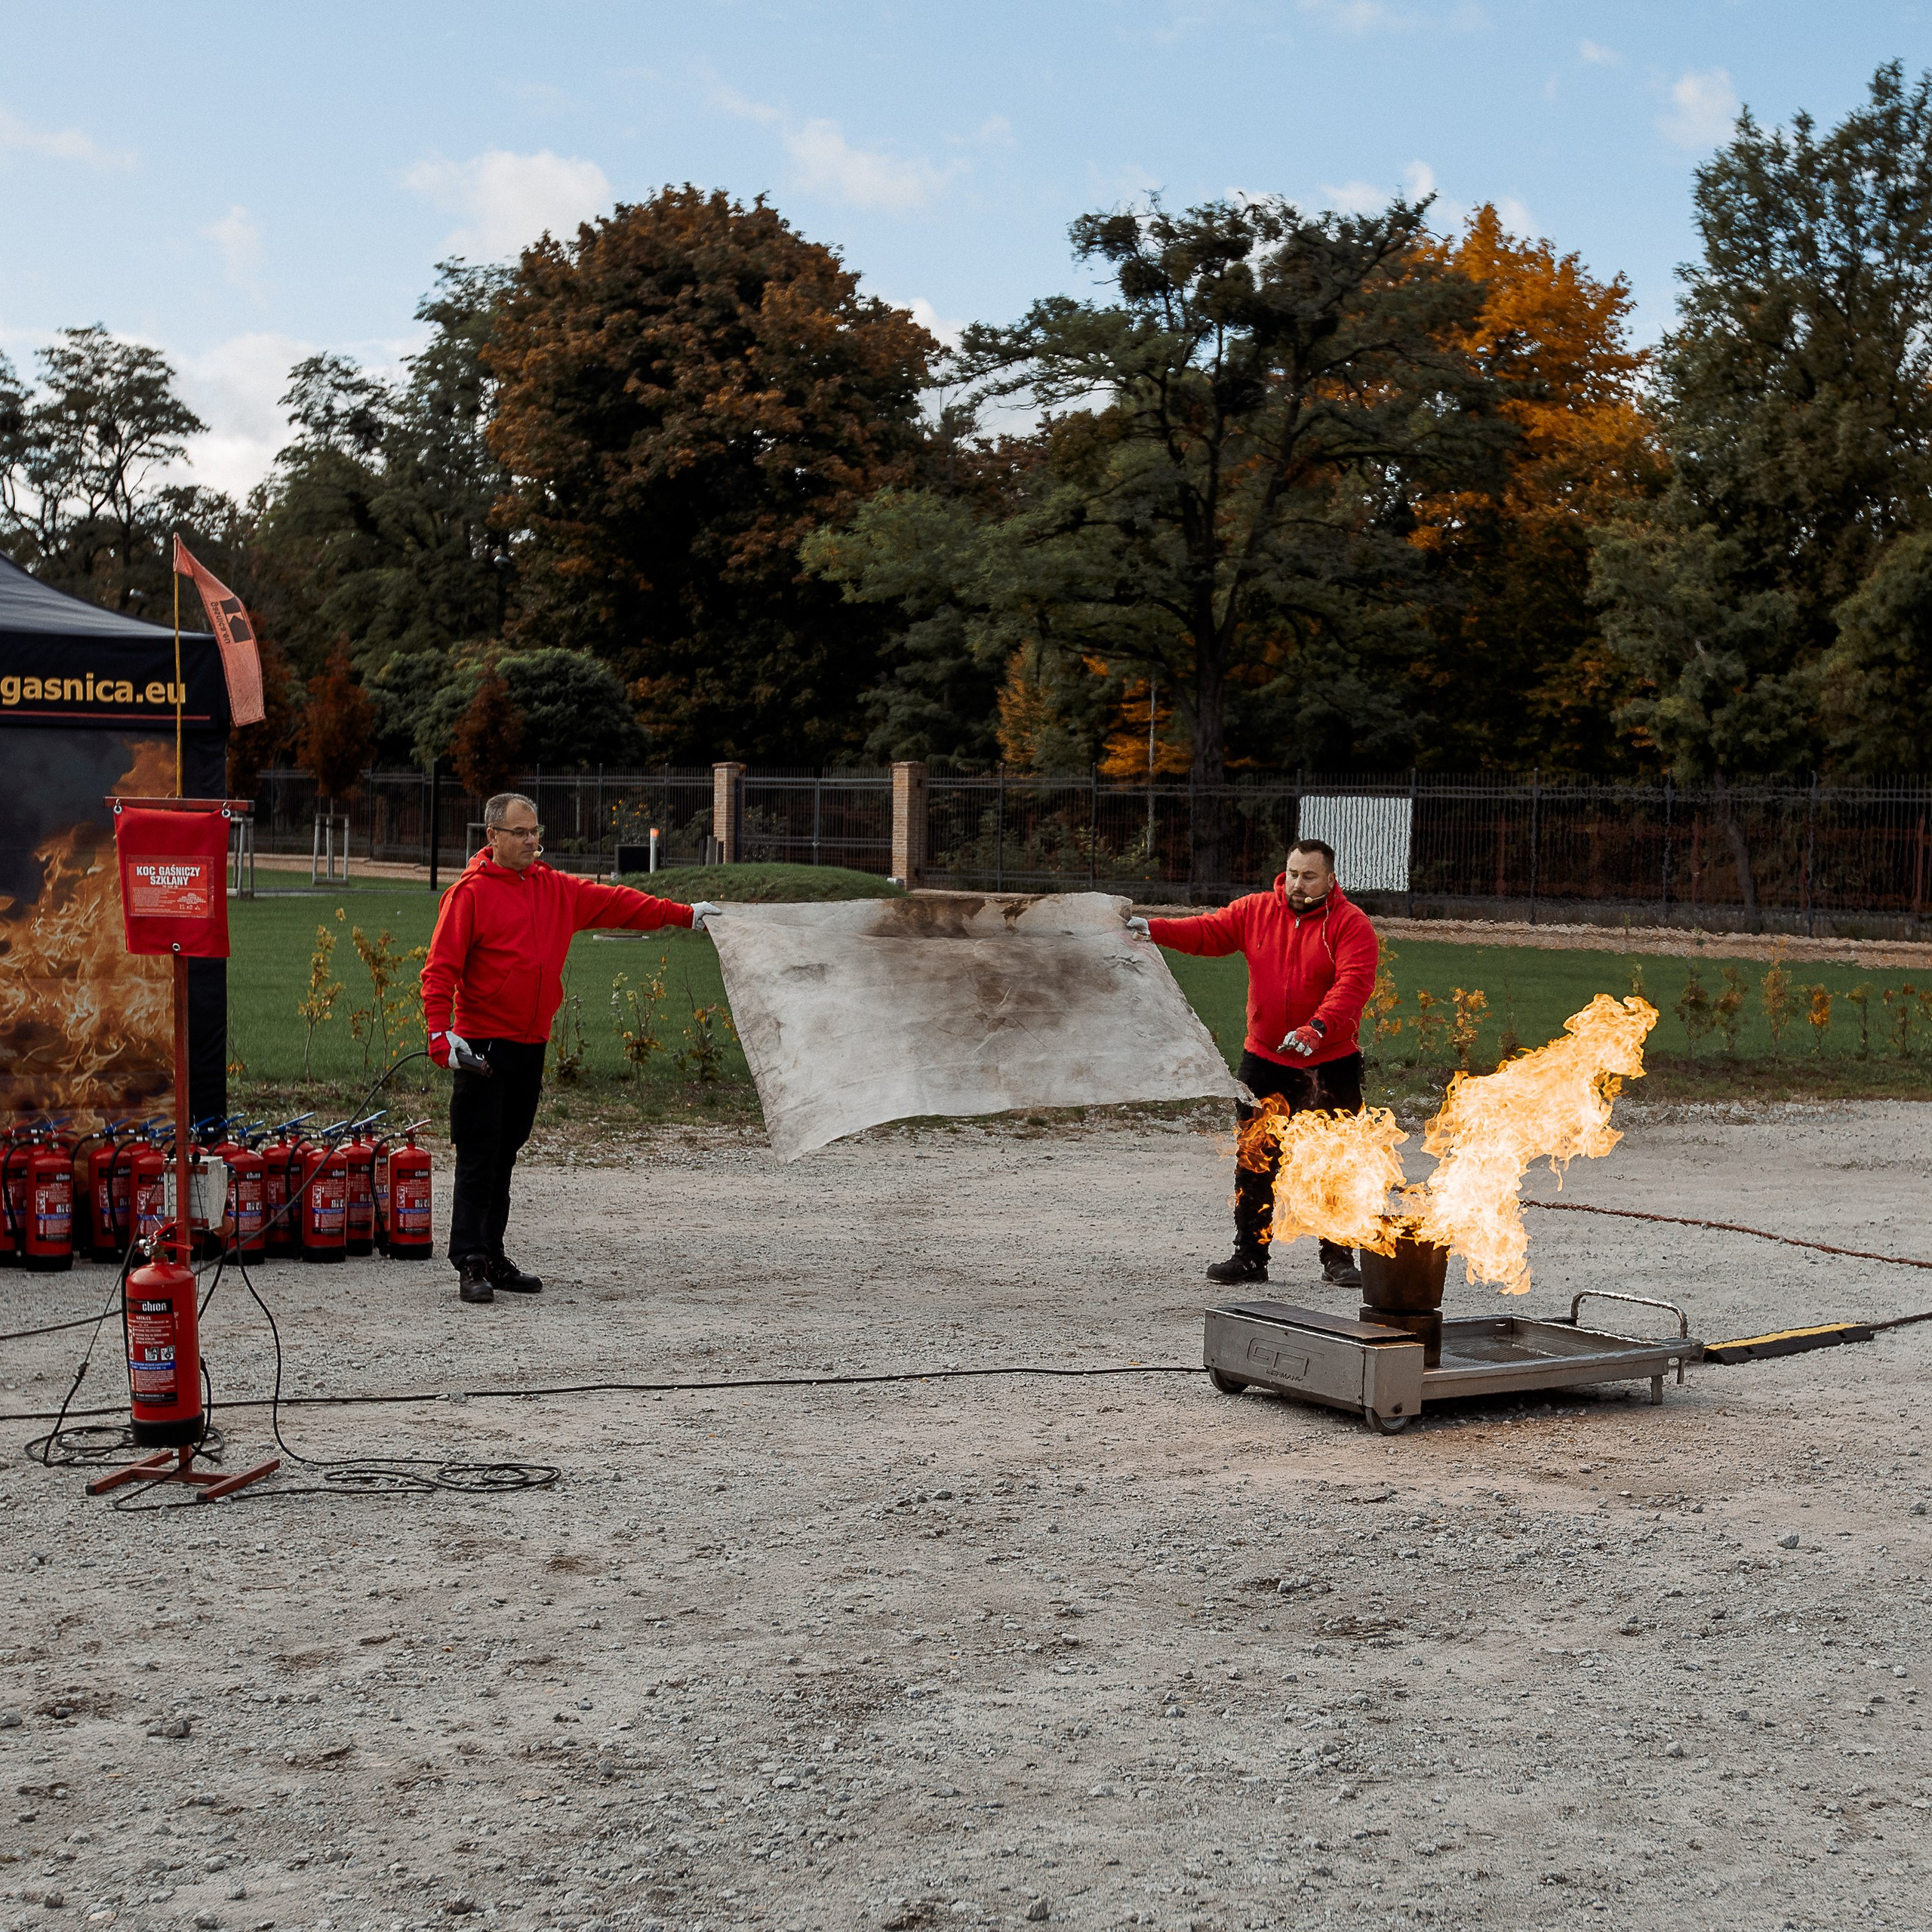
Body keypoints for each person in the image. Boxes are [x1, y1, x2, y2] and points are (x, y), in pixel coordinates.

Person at [420, 792, 721, 1306]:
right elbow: (439, 970)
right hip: (483, 1045)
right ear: (492, 838)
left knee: (507, 1152)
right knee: (479, 1153)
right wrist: (438, 1034)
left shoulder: (555, 889)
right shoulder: (469, 895)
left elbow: (620, 904)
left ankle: (492, 1253)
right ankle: (469, 1259)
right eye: (520, 832)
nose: (532, 840)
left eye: (535, 831)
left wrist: (683, 914)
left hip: (530, 1042)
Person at [1131, 838, 1378, 1289]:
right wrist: (1152, 928)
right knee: (1254, 1157)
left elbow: (1353, 983)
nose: (1297, 885)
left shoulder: (1351, 924)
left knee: (1334, 1161)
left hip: (1330, 1061)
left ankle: (1338, 1256)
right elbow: (1207, 932)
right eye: (1293, 874)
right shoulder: (1256, 910)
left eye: (1309, 876)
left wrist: (1317, 1027)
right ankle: (1249, 1256)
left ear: (1330, 879)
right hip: (1264, 1059)